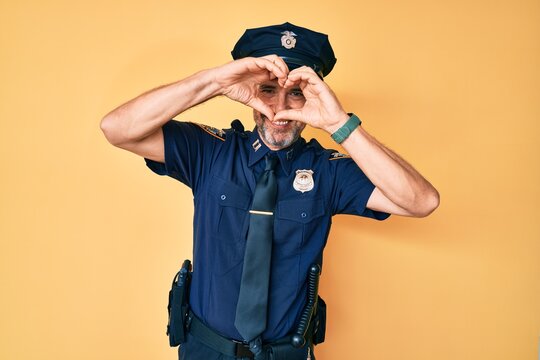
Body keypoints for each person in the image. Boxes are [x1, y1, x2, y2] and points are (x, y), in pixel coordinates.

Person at [101, 22, 439, 360]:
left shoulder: (327, 171)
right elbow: (117, 129)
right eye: (268, 89)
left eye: (296, 92)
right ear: (248, 91)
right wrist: (214, 82)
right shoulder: (210, 151)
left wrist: (338, 124)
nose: (281, 108)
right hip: (205, 350)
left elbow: (421, 201)